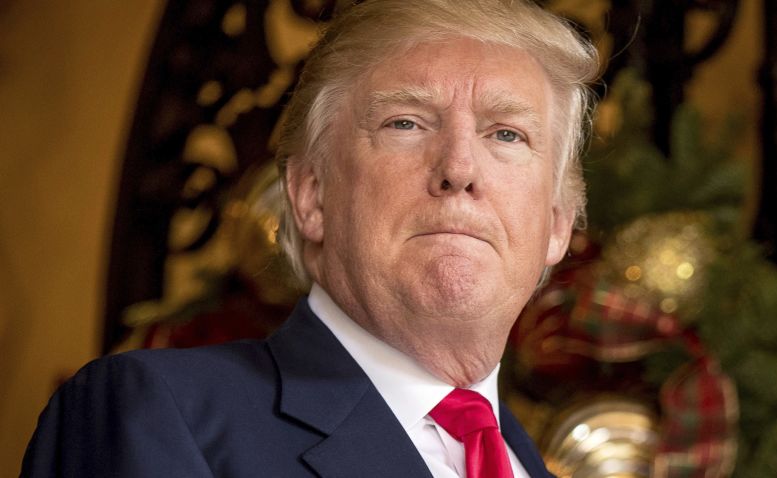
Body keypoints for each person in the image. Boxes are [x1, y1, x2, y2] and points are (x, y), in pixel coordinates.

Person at [21, 0, 597, 476]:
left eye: (507, 133)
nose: (459, 168)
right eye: (406, 123)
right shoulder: (155, 410)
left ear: (556, 225)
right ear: (311, 196)